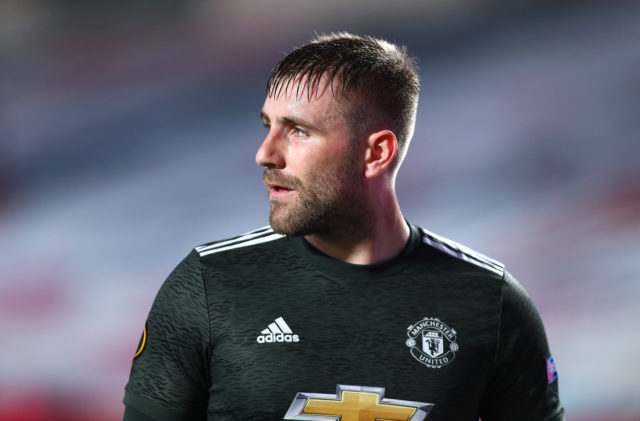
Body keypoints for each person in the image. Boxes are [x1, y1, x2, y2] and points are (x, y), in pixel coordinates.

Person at [122, 32, 565, 421]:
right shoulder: (208, 285)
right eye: (268, 125)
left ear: (376, 153)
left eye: (298, 130)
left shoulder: (490, 301)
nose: (264, 153)